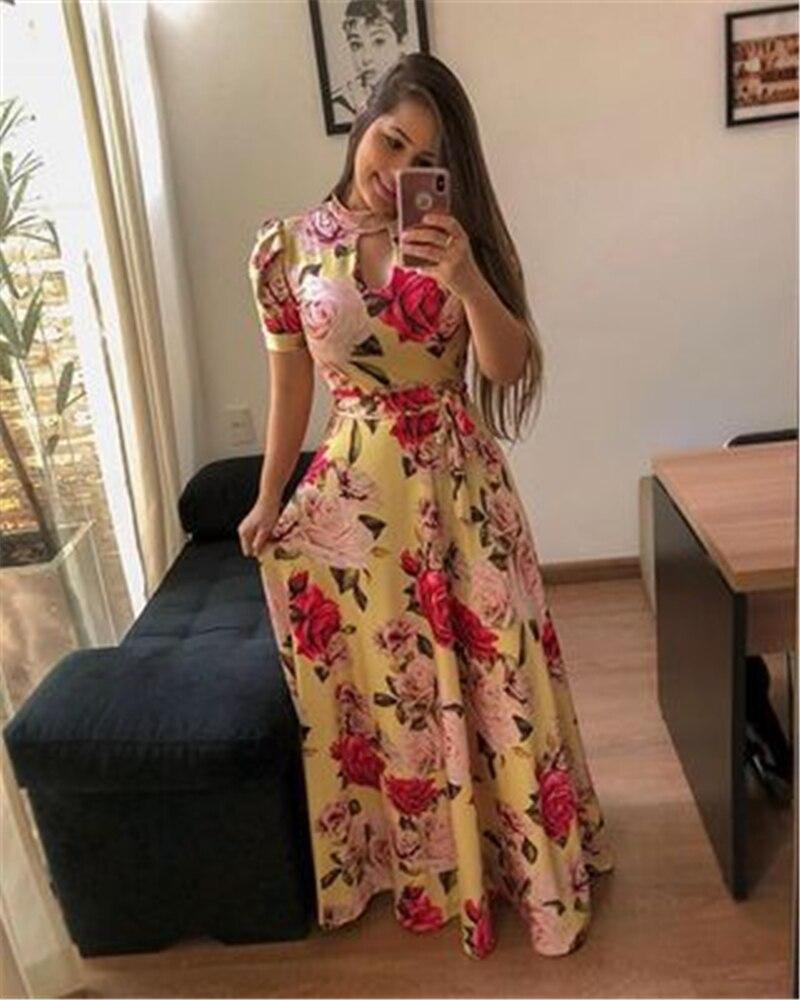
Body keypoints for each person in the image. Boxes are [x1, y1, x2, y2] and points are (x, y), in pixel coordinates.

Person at [240, 52, 615, 960]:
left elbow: (505, 367)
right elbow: (291, 387)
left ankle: (523, 864)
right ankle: (430, 868)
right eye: (391, 140)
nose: (397, 169)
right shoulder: (284, 250)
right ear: (362, 122)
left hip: (461, 493)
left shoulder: (459, 238)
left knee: (497, 675)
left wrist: (467, 279)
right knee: (398, 691)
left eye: (424, 160)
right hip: (358, 504)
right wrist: (268, 496)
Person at [330, 0, 409, 122]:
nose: (366, 58)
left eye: (378, 42)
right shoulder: (341, 106)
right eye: (356, 45)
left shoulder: (419, 97)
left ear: (402, 42)